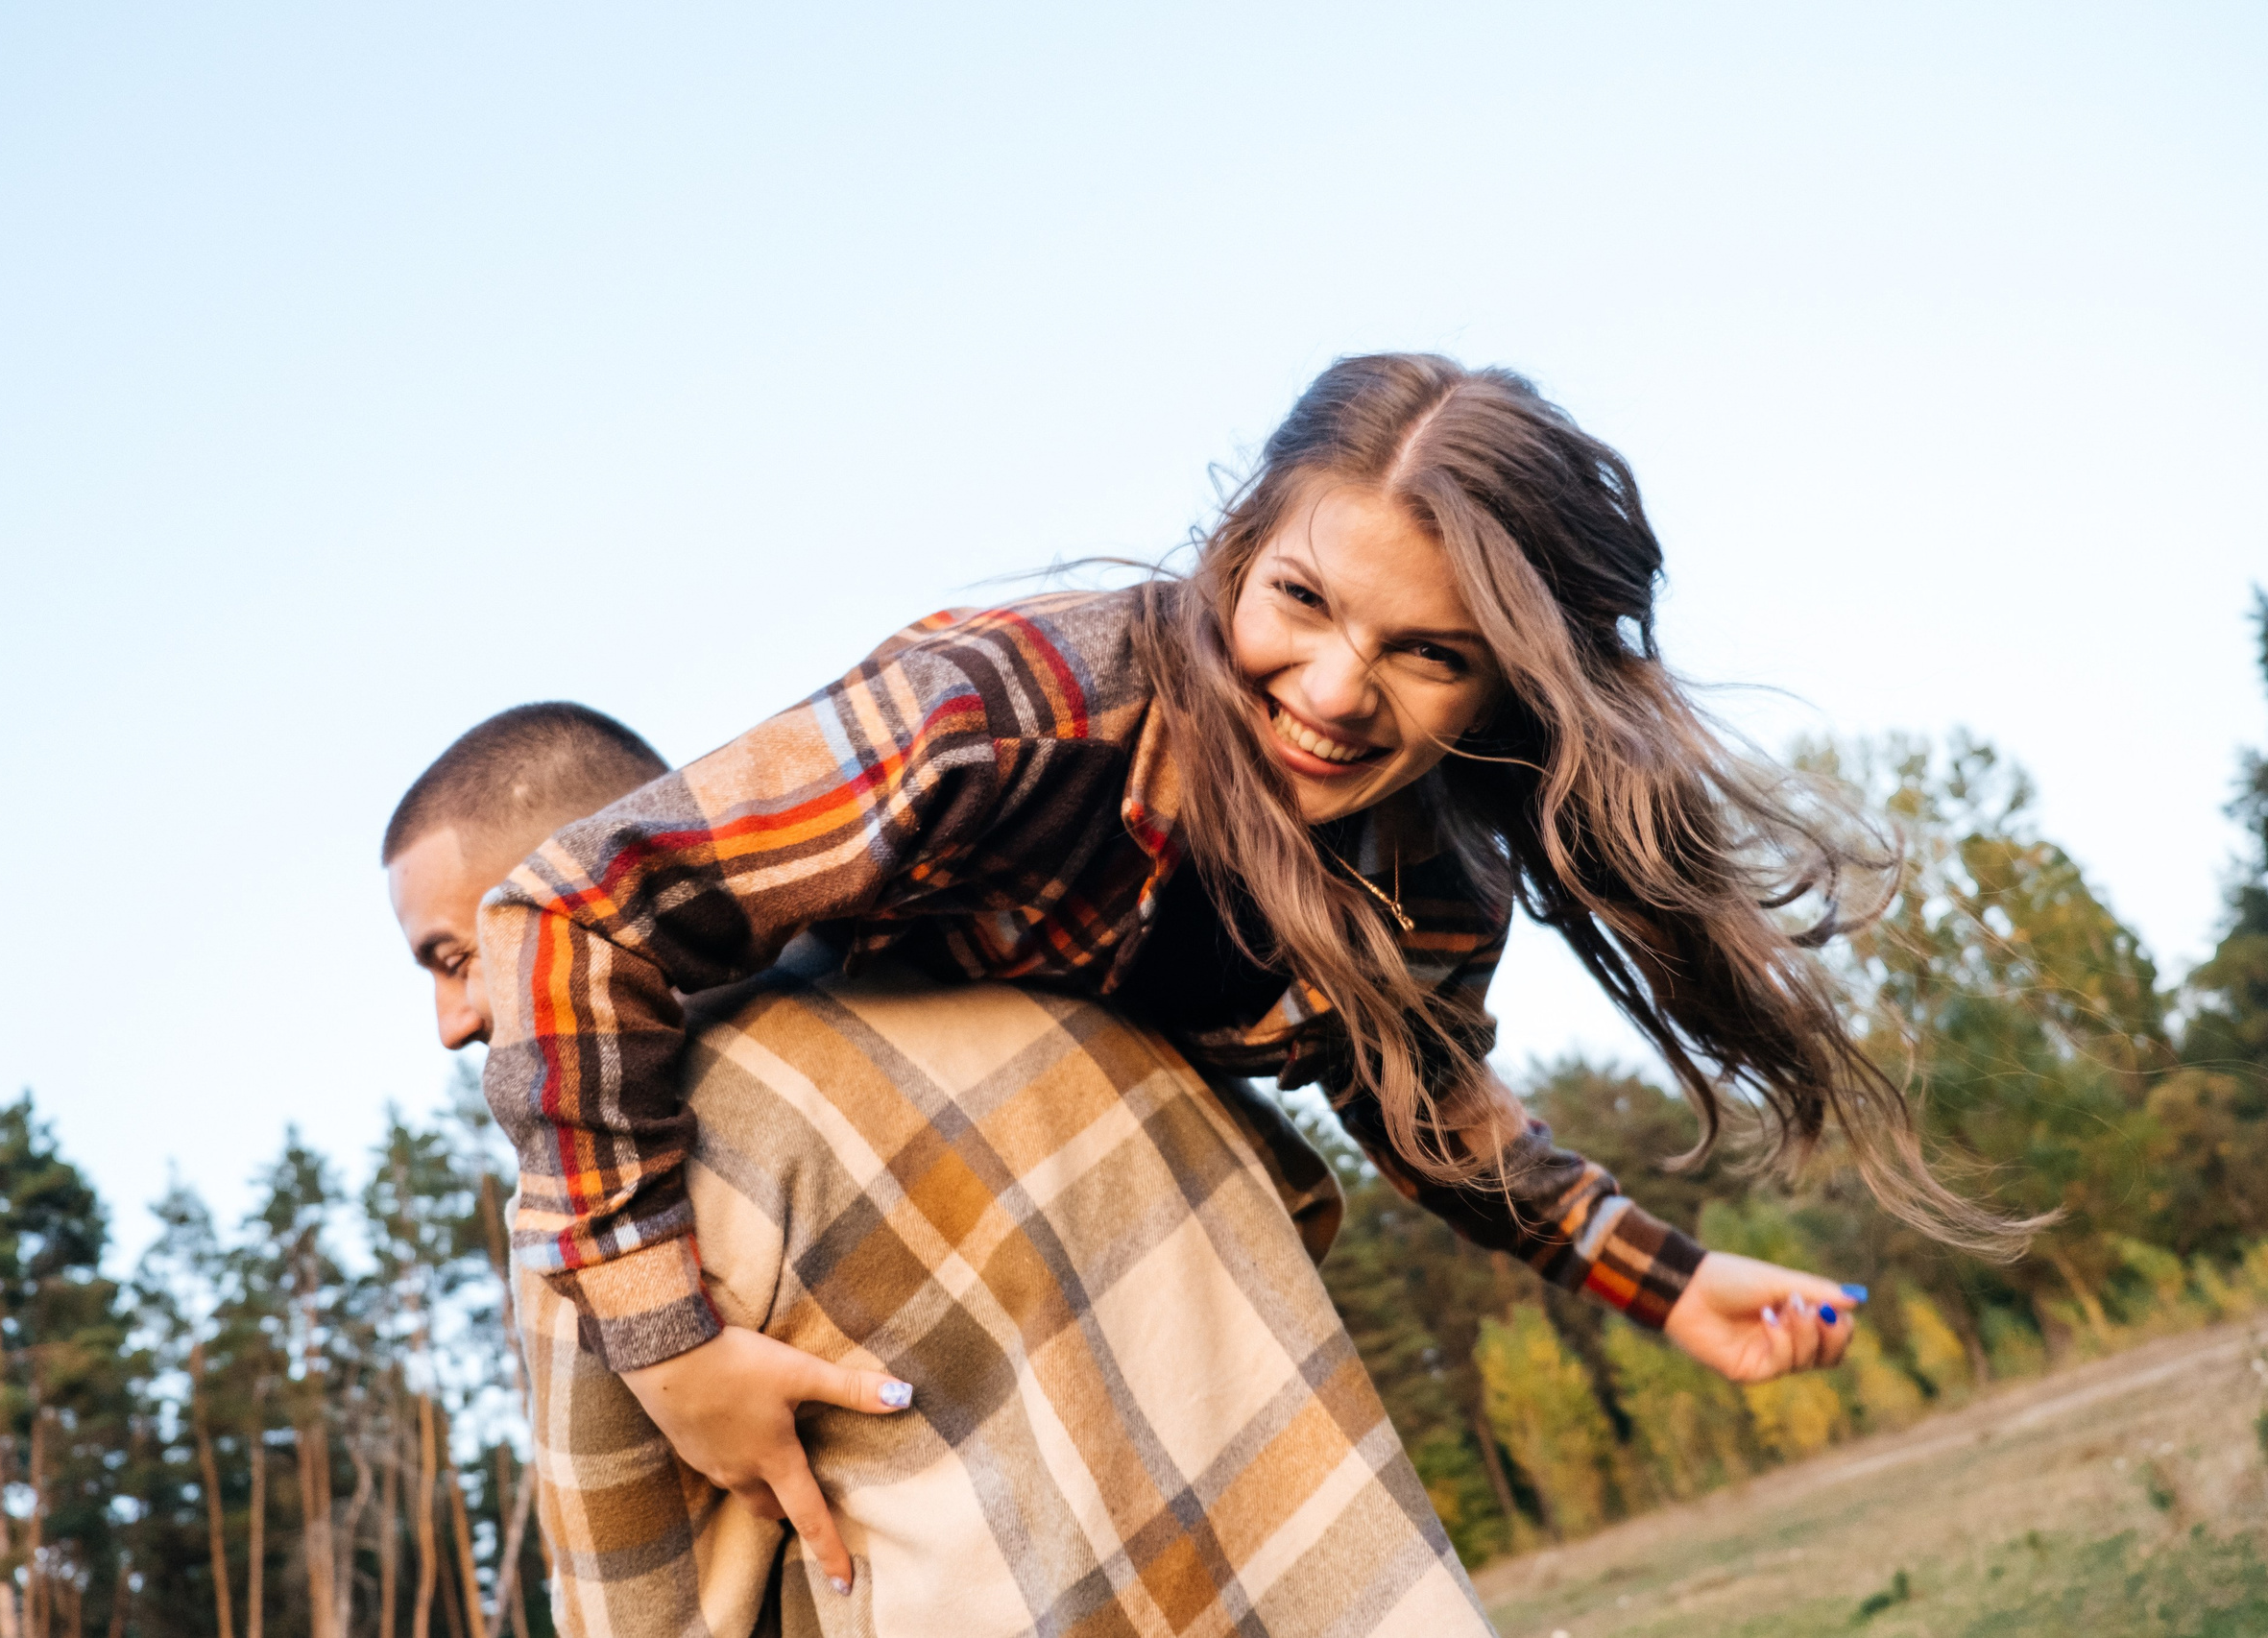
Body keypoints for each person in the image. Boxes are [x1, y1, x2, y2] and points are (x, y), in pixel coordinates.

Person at [479, 353, 1960, 1604]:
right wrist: (670, 1350)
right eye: (1303, 602)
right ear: (1237, 546)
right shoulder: (1010, 706)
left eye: (1429, 655)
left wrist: (1674, 1282)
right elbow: (571, 907)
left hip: (1003, 1284)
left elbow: (1434, 1116)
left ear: (1508, 686)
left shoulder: (1422, 882)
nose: (1331, 693)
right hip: (706, 1226)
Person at [387, 702, 1504, 1634]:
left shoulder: (612, 1203)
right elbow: (1302, 1207)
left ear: (566, 884)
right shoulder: (1069, 989)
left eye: (455, 957)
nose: (449, 1021)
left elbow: (631, 1600)